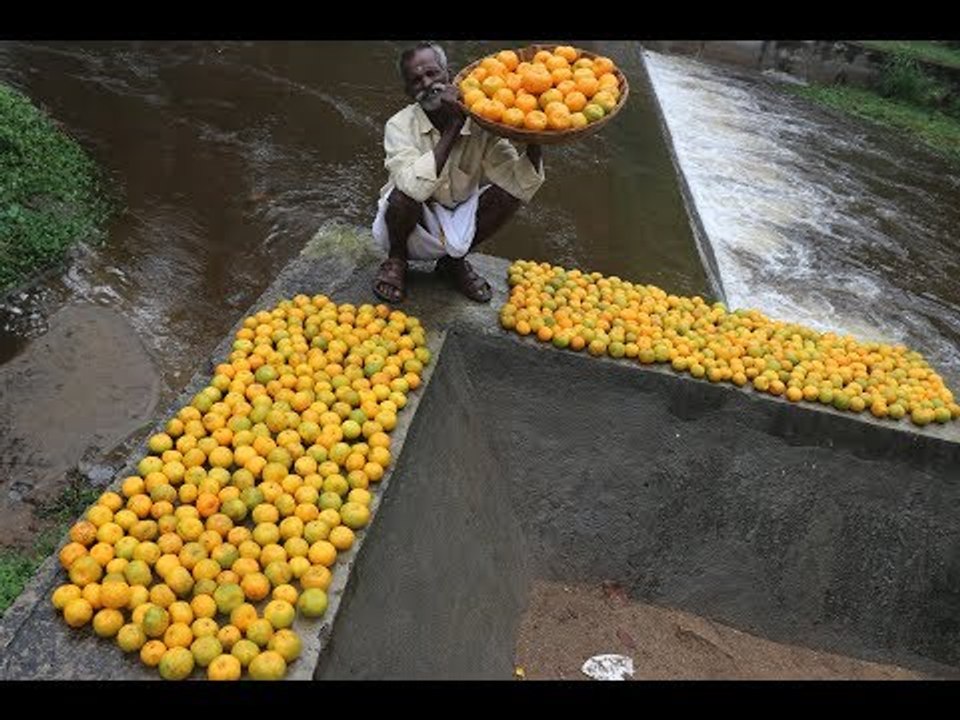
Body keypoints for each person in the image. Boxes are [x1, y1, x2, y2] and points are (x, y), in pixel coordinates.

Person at [371, 42, 546, 304]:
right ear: (408, 91)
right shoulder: (399, 126)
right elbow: (413, 189)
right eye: (416, 81)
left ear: (449, 74)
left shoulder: (481, 122)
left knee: (509, 195)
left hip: (457, 215)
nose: (428, 84)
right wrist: (453, 126)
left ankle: (452, 263)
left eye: (432, 73)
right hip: (409, 223)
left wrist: (536, 137)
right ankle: (396, 261)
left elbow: (518, 182)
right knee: (402, 194)